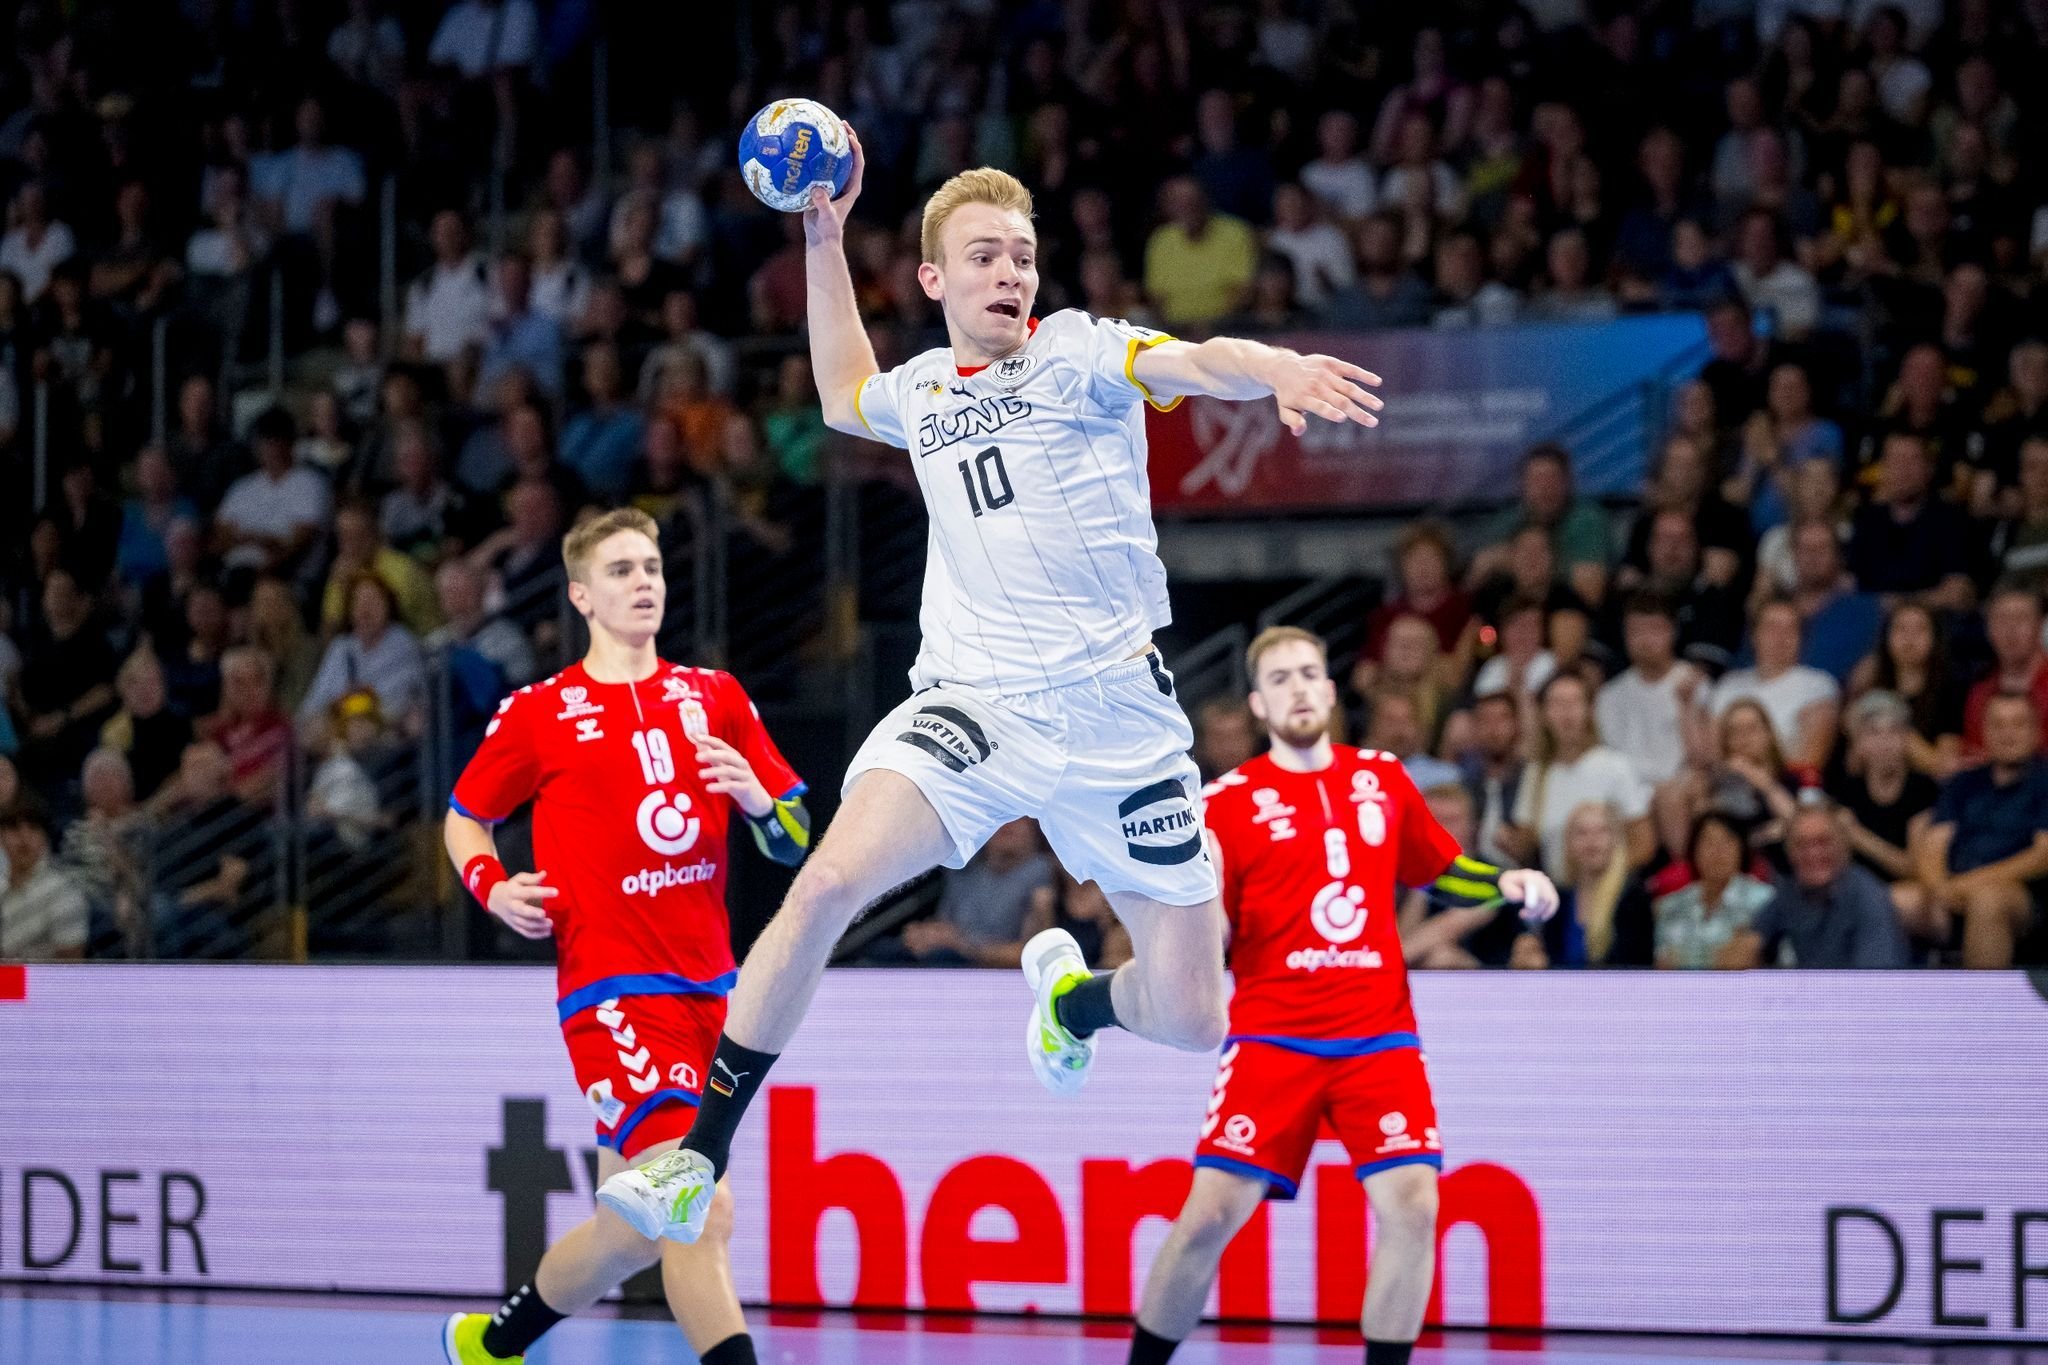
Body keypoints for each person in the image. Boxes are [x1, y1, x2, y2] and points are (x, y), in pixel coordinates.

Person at [594, 153, 1387, 1243]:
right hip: (974, 705)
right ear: (933, 282)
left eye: (1021, 255)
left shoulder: (1084, 352)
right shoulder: (920, 391)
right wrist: (822, 237)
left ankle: (1074, 1002)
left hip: (1120, 728)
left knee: (1198, 1017)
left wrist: (1277, 369)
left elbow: (1202, 357)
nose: (1009, 272)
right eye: (982, 257)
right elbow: (836, 393)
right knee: (825, 882)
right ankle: (695, 1156)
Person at [440, 507, 809, 1365]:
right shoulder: (541, 711)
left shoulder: (715, 696)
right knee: (698, 1207)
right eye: (620, 570)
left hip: (716, 996)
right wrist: (493, 888)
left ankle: (490, 1344)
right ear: (581, 595)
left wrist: (759, 800)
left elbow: (796, 836)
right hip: (613, 997)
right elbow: (465, 817)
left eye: (651, 566)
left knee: (630, 1232)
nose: (644, 581)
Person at [1127, 626, 1554, 1365]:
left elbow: (1440, 869)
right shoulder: (1225, 805)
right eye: (1281, 678)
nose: (1298, 687)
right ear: (1260, 702)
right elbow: (1211, 930)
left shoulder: (1383, 778)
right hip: (1271, 1034)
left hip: (1378, 1037)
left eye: (1309, 673)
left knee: (1415, 1205)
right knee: (1206, 1219)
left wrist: (1505, 882)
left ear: (1330, 689)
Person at [1912, 692, 2048, 969]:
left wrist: (1968, 884)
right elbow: (1934, 845)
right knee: (1895, 901)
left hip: (2025, 897)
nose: (2007, 733)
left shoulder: (2044, 782)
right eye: (1998, 725)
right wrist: (1939, 888)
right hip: (1953, 889)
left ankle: (1980, 1008)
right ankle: (1886, 1007)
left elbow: (2042, 857)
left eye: (2017, 724)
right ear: (1984, 731)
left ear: (2036, 732)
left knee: (1987, 902)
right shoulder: (1963, 782)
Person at [1725, 800, 1912, 968]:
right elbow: (1748, 944)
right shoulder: (1791, 893)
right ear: (1789, 853)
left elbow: (1874, 984)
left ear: (1844, 847)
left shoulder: (1868, 898)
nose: (1813, 854)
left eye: (1823, 842)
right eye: (1802, 845)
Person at [1504, 672, 1653, 875]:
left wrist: (1607, 879)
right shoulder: (1536, 773)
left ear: (1590, 710)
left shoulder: (1615, 766)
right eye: (1557, 703)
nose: (1567, 712)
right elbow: (1525, 843)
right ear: (1544, 714)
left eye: (1575, 702)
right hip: (1557, 892)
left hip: (1604, 890)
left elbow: (1643, 842)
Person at [879, 817, 1054, 966]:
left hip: (989, 970)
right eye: (1002, 818)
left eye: (1020, 820)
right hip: (944, 954)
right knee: (881, 952)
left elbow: (1032, 955)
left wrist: (961, 944)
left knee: (941, 958)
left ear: (1036, 830)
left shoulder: (1042, 874)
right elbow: (944, 924)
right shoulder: (961, 865)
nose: (1008, 825)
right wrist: (926, 934)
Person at [1710, 597, 1841, 769]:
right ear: (1754, 635)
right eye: (1772, 628)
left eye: (1790, 629)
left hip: (1781, 787)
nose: (1781, 637)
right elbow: (1713, 751)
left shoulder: (1818, 685)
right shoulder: (1729, 684)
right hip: (1727, 782)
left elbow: (1810, 761)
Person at [1653, 812, 1775, 969]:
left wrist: (1684, 959)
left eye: (1727, 841)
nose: (1717, 851)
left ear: (1741, 849)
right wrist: (1718, 959)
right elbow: (1662, 965)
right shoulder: (1671, 905)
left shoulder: (1765, 901)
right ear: (1694, 850)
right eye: (1708, 842)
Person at [0, 794, 88, 960]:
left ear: (45, 838)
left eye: (33, 827)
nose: (24, 836)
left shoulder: (65, 893)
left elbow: (69, 973)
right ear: (1, 838)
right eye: (13, 828)